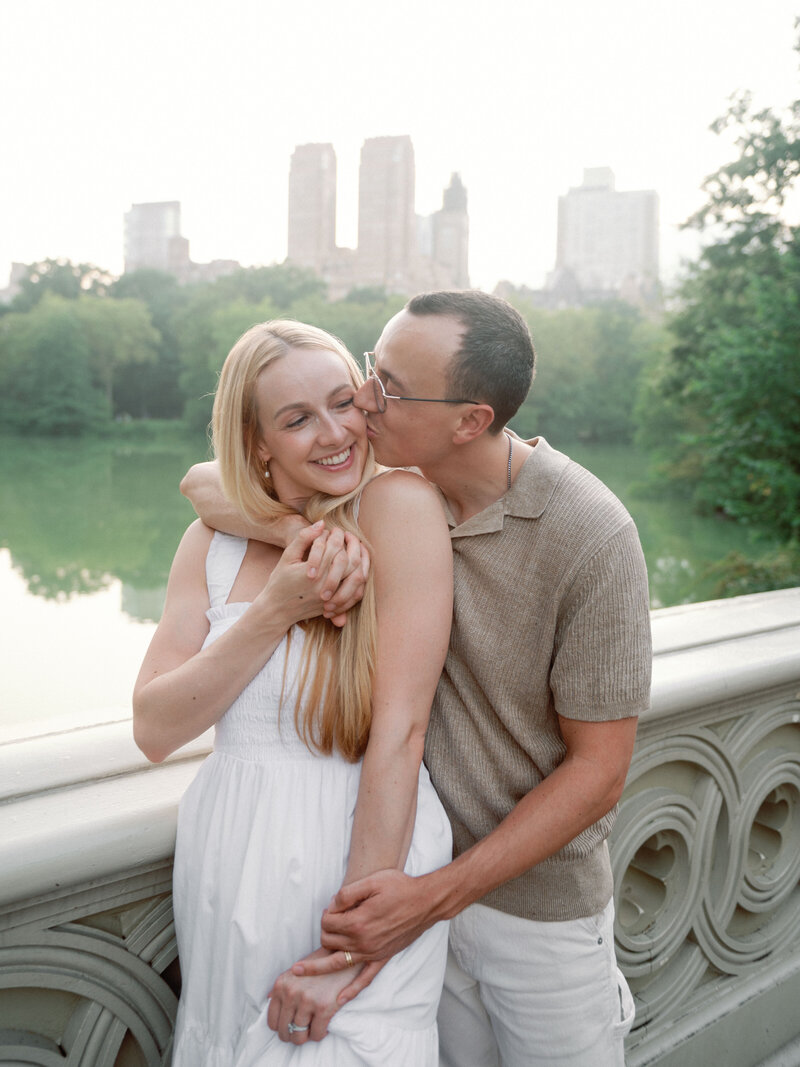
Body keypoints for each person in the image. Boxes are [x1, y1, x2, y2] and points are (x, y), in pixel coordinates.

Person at [182, 291, 653, 1066]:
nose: (364, 399)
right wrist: (297, 530)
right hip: (411, 872)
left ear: (469, 420)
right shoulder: (392, 491)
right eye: (373, 366)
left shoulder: (590, 536)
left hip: (529, 910)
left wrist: (430, 898)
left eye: (389, 387)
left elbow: (600, 775)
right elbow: (206, 480)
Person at [134, 320, 454, 1065]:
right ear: (256, 441)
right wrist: (278, 604)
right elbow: (154, 729)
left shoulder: (398, 507)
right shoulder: (210, 543)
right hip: (231, 857)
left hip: (361, 850)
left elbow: (401, 733)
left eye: (345, 402)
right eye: (297, 419)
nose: (336, 432)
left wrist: (349, 946)